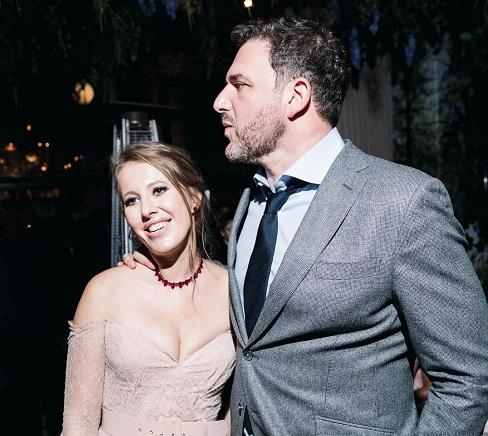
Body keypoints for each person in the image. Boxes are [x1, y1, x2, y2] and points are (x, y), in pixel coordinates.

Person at [126, 17, 488, 436]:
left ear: (296, 96)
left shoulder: (403, 201)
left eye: (239, 85)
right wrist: (161, 275)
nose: (220, 102)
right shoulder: (250, 201)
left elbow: (467, 379)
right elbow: (260, 328)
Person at [62, 141, 235, 436]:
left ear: (194, 198)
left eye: (159, 190)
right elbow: (78, 423)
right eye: (132, 200)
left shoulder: (233, 291)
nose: (146, 210)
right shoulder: (105, 291)